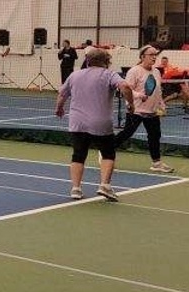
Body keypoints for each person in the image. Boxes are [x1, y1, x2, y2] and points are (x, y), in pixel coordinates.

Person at [55, 49, 134, 201]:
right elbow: (125, 87)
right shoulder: (109, 74)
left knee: (78, 154)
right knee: (108, 153)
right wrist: (130, 104)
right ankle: (105, 185)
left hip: (77, 122)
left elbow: (62, 94)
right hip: (101, 122)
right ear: (106, 61)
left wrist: (59, 108)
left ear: (88, 60)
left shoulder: (75, 74)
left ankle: (76, 189)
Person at [114, 45, 173, 173]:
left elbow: (158, 91)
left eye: (155, 54)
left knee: (155, 136)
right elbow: (126, 89)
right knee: (127, 133)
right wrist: (139, 95)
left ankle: (156, 163)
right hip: (136, 110)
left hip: (152, 112)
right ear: (142, 57)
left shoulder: (156, 72)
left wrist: (161, 104)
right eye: (151, 55)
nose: (154, 57)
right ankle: (107, 151)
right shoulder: (134, 71)